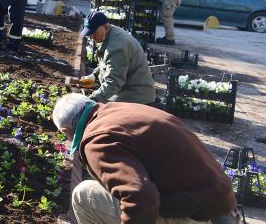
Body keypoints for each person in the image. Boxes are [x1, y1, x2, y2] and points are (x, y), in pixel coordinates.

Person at [52, 93, 239, 224]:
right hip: (222, 205)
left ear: (66, 131)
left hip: (195, 216)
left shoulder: (96, 140)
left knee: (84, 195)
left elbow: (141, 197)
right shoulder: (121, 110)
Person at [80, 11, 156, 105]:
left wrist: (90, 100)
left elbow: (113, 83)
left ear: (105, 26)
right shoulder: (112, 33)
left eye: (94, 32)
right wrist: (94, 75)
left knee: (104, 110)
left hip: (137, 95)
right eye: (89, 33)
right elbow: (110, 63)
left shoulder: (117, 47)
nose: (91, 37)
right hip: (128, 89)